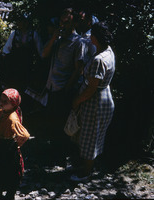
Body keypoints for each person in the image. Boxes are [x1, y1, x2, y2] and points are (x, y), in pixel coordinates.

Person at [70, 22, 115, 181]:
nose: (89, 38)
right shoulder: (108, 52)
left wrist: (77, 101)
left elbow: (91, 89)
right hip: (102, 98)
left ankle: (86, 172)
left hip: (95, 102)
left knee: (90, 137)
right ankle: (84, 165)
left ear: (95, 38)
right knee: (91, 135)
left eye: (92, 36)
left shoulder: (99, 60)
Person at [41, 8, 85, 134]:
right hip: (51, 88)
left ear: (74, 23)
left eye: (66, 23)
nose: (62, 25)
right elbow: (44, 54)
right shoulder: (58, 39)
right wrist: (53, 38)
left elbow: (79, 70)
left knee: (61, 127)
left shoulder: (78, 43)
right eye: (61, 22)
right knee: (50, 123)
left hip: (63, 90)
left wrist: (66, 89)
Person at [0, 88, 30, 200]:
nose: (1, 103)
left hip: (8, 147)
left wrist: (18, 143)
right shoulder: (1, 112)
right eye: (1, 100)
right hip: (0, 144)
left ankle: (9, 194)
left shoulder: (12, 118)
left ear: (13, 104)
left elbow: (25, 134)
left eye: (5, 102)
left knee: (9, 171)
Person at [1, 13, 42, 93]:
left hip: (28, 67)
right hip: (14, 67)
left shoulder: (34, 35)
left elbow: (40, 52)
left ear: (27, 23)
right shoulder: (14, 34)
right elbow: (6, 49)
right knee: (14, 88)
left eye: (22, 21)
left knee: (25, 88)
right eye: (19, 21)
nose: (19, 23)